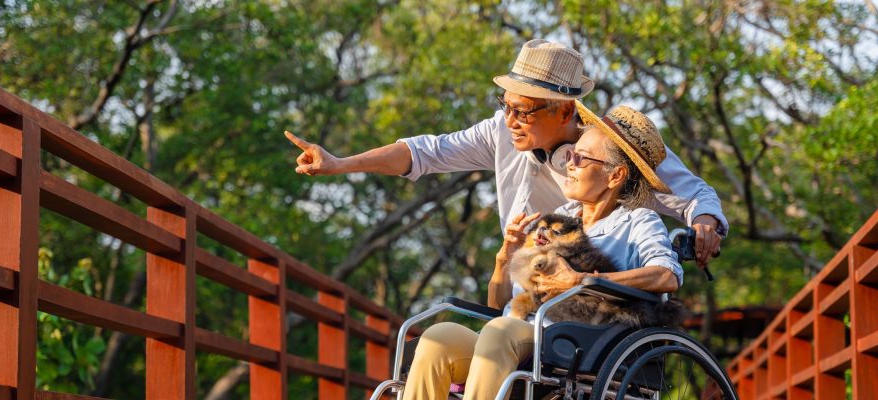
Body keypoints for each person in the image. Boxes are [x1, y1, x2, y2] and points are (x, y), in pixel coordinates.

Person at [285, 39, 726, 266]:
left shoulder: (611, 149)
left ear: (565, 109)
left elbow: (693, 195)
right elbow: (425, 153)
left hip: (586, 291)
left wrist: (705, 223)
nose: (511, 118)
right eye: (506, 105)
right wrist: (341, 164)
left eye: (525, 110)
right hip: (518, 281)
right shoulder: (502, 131)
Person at [401, 105, 683, 400]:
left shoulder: (637, 221)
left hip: (574, 342)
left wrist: (581, 280)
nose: (569, 164)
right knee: (438, 338)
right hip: (518, 333)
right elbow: (500, 307)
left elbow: (667, 276)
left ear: (615, 176)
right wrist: (505, 257)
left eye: (580, 158)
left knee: (500, 333)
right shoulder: (557, 217)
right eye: (570, 154)